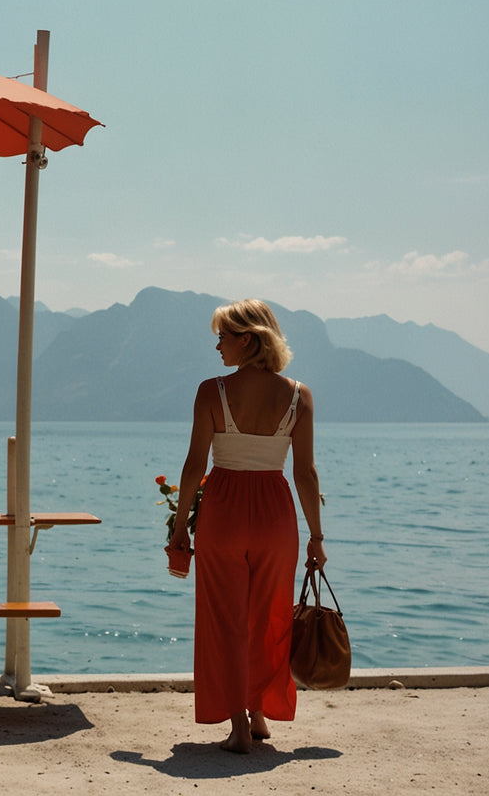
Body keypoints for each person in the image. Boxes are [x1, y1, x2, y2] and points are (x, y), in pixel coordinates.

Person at [168, 298, 325, 754]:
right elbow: (306, 473)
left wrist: (180, 530)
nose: (216, 346)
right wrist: (316, 536)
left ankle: (238, 726)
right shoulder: (299, 395)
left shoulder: (210, 391)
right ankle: (259, 715)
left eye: (222, 336)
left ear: (247, 339)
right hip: (276, 513)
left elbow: (195, 465)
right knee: (269, 616)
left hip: (224, 510)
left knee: (224, 620)